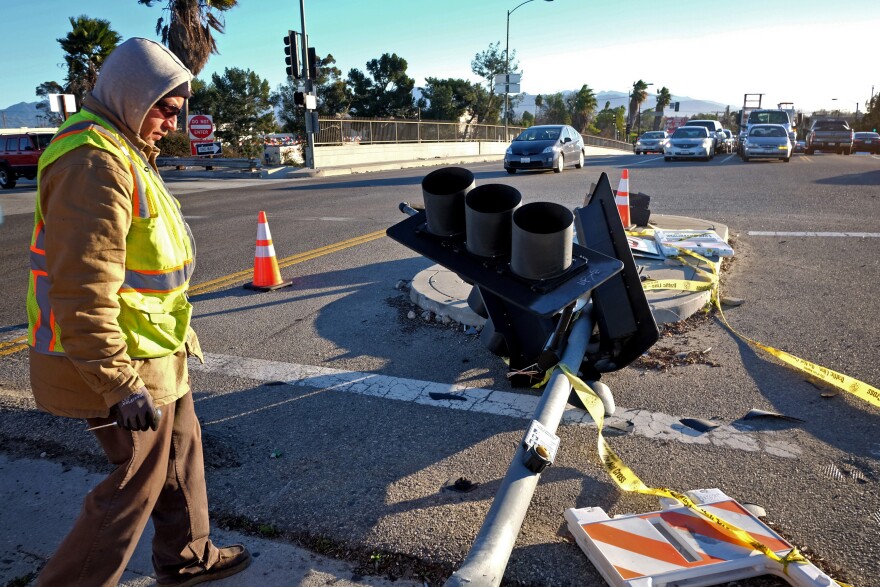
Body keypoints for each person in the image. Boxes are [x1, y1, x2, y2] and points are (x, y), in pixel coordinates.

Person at [26, 37, 251, 586]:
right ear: (132, 95)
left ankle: (188, 558)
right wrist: (119, 384)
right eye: (165, 110)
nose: (172, 124)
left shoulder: (122, 148)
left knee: (179, 457)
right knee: (133, 488)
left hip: (157, 351)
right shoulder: (94, 162)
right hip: (122, 364)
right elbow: (83, 289)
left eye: (179, 112)